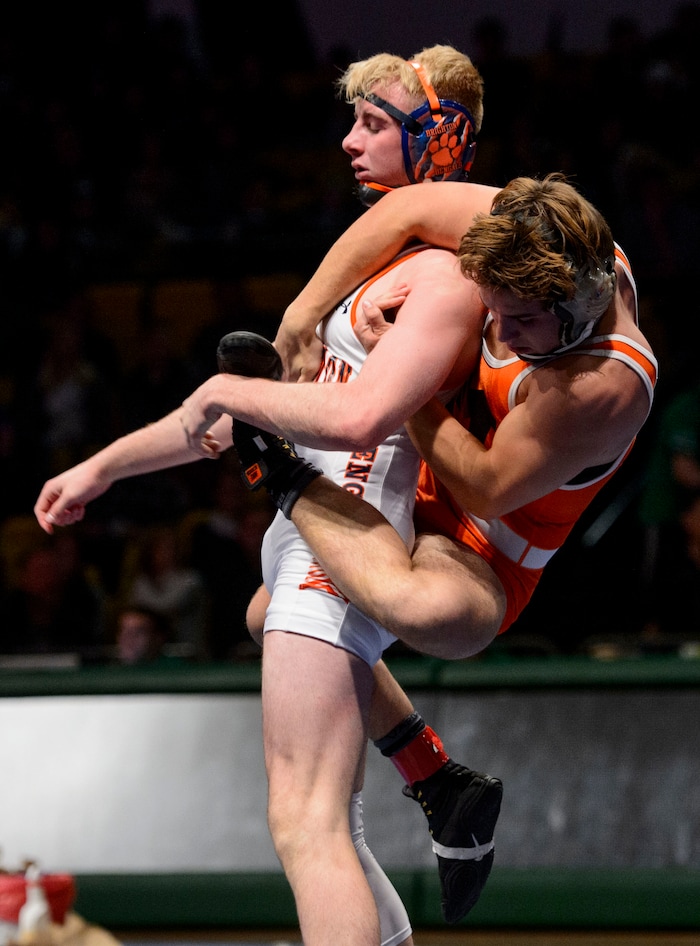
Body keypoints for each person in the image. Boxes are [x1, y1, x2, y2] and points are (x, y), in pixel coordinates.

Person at [34, 45, 496, 944]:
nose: (347, 140)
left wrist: (234, 397)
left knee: (308, 827)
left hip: (339, 552)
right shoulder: (380, 263)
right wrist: (103, 466)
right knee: (327, 821)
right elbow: (249, 416)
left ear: (436, 143)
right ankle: (437, 778)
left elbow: (356, 418)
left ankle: (438, 778)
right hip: (312, 550)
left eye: (373, 125)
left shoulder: (439, 278)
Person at [214, 172, 657, 668]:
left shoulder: (601, 385)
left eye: (524, 320)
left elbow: (485, 488)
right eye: (496, 311)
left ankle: (278, 471)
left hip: (483, 541)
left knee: (439, 617)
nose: (505, 335)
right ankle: (412, 744)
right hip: (421, 451)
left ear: (582, 304)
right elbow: (406, 209)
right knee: (275, 614)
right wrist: (299, 318)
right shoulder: (533, 233)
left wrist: (400, 388)